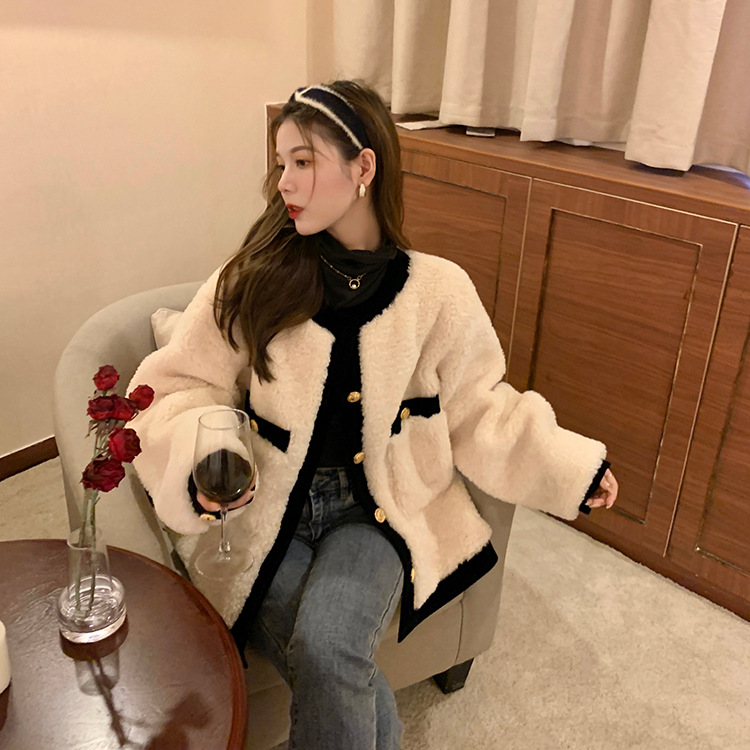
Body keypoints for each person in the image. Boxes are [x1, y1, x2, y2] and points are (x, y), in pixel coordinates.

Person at [128, 80, 619, 749]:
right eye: (281, 162)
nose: (284, 182)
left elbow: (480, 407)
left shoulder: (439, 292)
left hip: (378, 511)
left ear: (363, 167)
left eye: (304, 161)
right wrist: (206, 453)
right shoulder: (249, 279)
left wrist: (570, 467)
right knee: (332, 663)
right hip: (263, 509)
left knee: (328, 647)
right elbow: (179, 384)